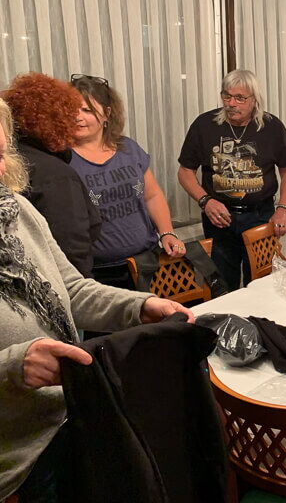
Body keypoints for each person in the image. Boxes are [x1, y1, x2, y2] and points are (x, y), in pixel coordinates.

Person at [0, 97, 194, 502]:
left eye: (0, 154)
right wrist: (12, 366)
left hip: (68, 421)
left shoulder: (16, 211)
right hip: (16, 463)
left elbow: (71, 289)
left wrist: (139, 306)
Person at [178, 69, 286, 290]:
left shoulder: (271, 126)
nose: (231, 103)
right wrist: (205, 201)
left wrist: (283, 207)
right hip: (219, 219)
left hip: (261, 216)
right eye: (227, 96)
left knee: (263, 284)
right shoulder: (204, 125)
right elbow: (185, 171)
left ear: (254, 100)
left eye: (240, 98)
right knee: (222, 286)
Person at [69, 74, 186, 289]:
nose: (77, 117)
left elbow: (152, 195)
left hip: (146, 262)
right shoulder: (62, 159)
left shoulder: (128, 148)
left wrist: (167, 232)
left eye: (87, 110)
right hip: (98, 273)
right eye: (71, 109)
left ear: (107, 113)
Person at [0, 73, 101, 278]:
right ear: (58, 120)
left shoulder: (16, 158)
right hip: (56, 284)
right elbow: (72, 252)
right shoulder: (55, 175)